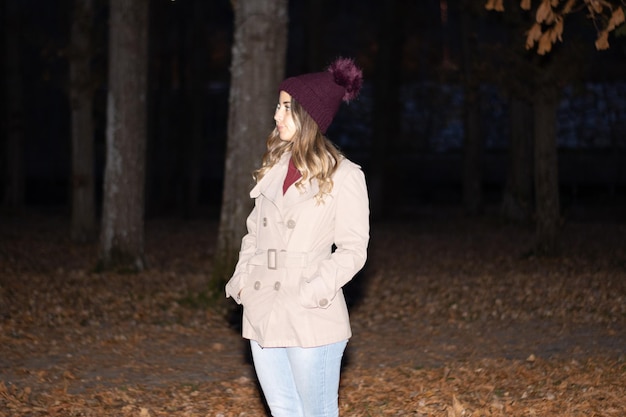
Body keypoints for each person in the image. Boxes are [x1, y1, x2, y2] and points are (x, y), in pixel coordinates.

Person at [225, 57, 369, 417]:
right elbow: (253, 234)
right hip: (264, 310)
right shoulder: (273, 167)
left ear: (308, 116)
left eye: (286, 108)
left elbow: (353, 249)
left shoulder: (345, 176)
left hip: (310, 315)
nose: (276, 114)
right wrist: (242, 280)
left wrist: (315, 288)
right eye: (278, 105)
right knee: (283, 411)